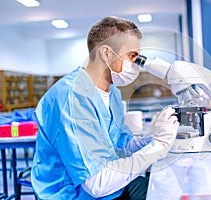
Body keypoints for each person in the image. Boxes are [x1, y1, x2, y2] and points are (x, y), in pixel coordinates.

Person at [31, 16, 179, 200]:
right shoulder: (71, 97)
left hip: (110, 188)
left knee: (164, 187)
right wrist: (157, 147)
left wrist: (154, 137)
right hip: (75, 195)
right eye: (132, 56)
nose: (136, 65)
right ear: (106, 53)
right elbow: (96, 184)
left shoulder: (113, 94)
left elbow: (121, 145)